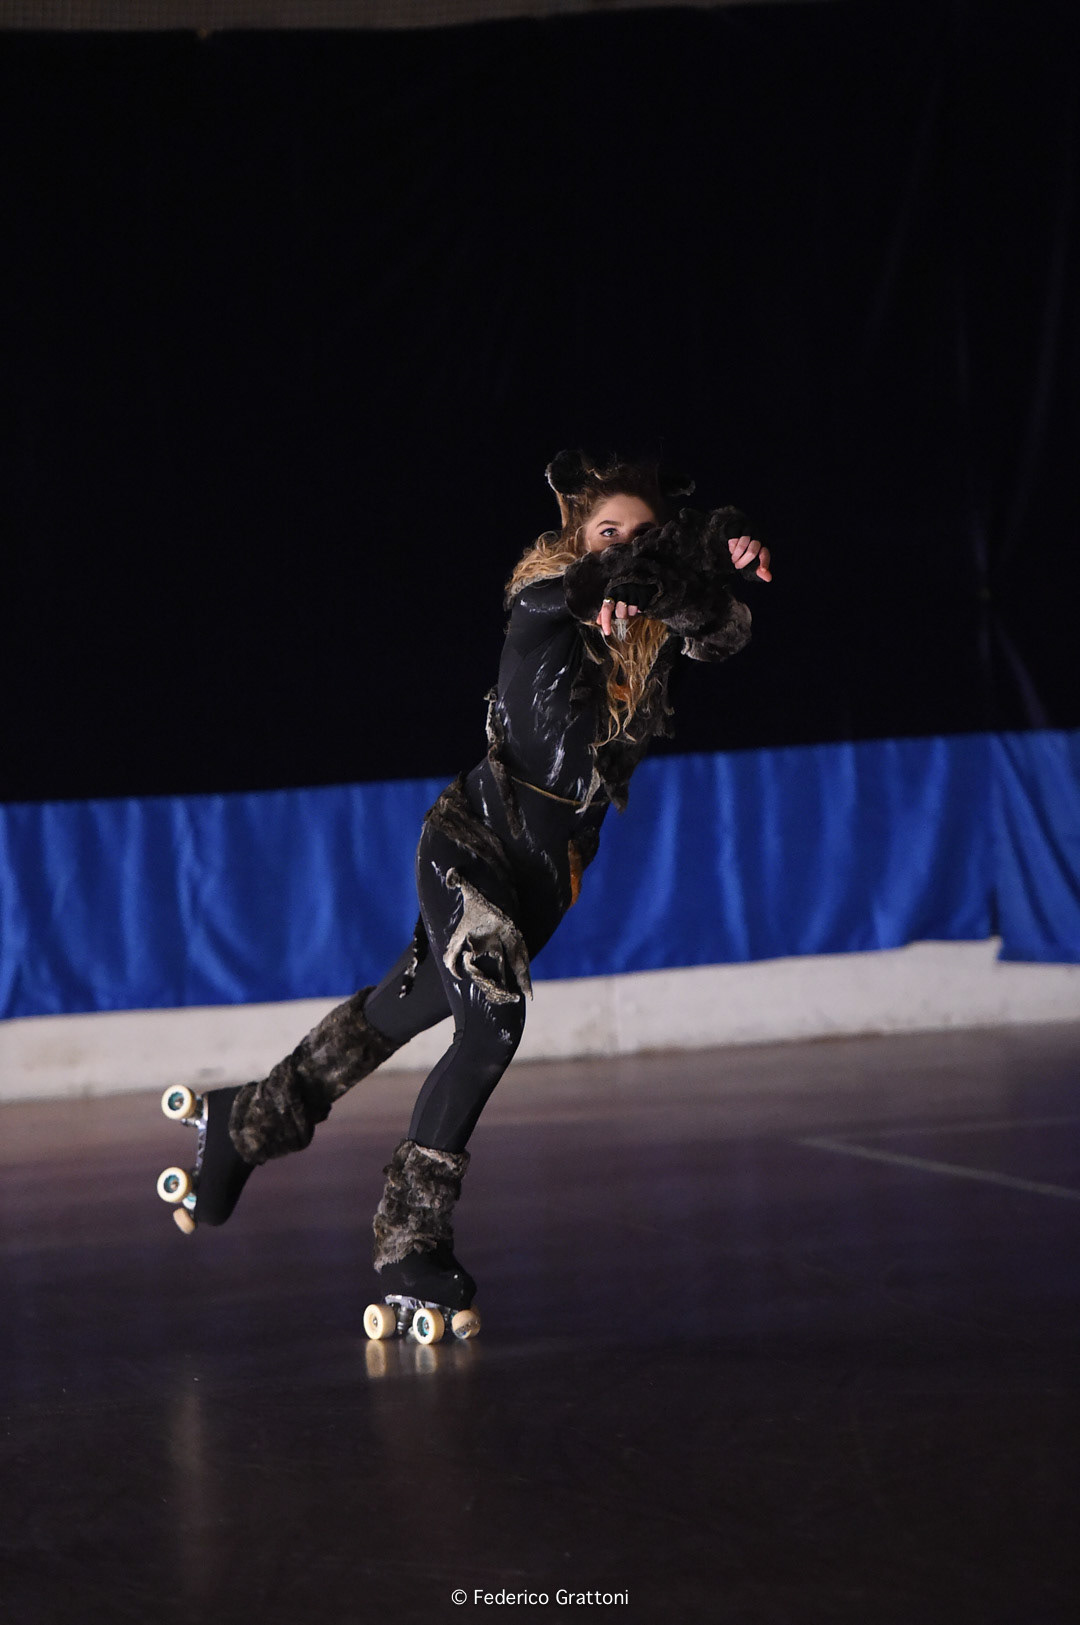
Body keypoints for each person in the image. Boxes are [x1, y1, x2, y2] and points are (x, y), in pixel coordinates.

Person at [157, 449, 771, 1332]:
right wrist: (619, 569)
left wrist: (721, 554)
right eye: (608, 532)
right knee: (493, 1026)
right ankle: (410, 1238)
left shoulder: (647, 636)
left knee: (397, 1008)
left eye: (642, 535)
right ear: (578, 536)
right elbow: (569, 591)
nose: (625, 547)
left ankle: (243, 1125)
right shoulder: (544, 600)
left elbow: (721, 631)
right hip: (473, 845)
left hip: (545, 884)